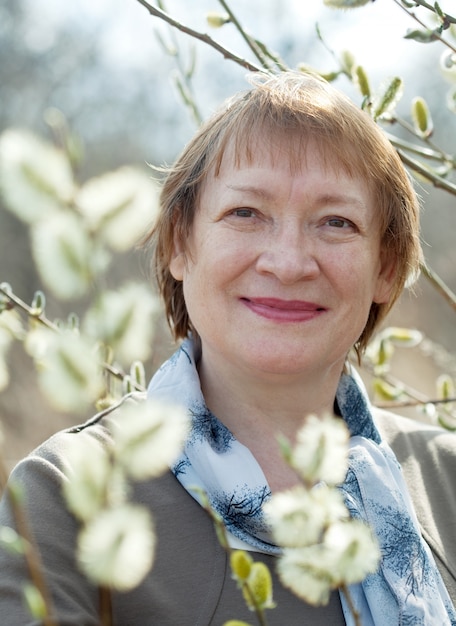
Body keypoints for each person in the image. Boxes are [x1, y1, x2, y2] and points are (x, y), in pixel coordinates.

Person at [0, 71, 455, 625]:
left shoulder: (446, 480)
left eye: (336, 222)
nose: (288, 263)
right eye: (245, 213)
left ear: (385, 269)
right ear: (179, 243)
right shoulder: (65, 495)